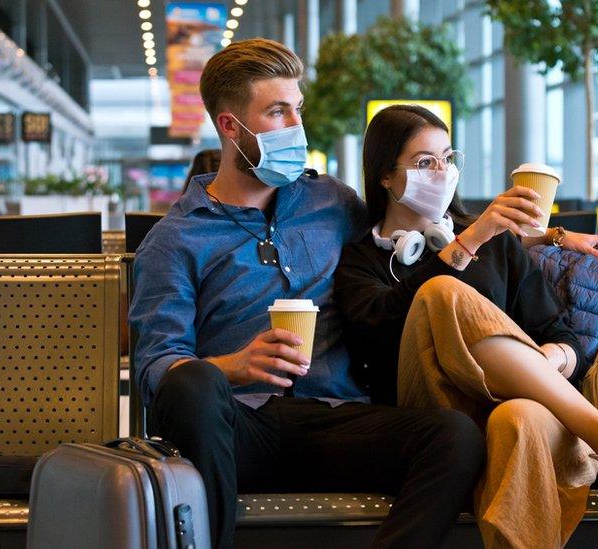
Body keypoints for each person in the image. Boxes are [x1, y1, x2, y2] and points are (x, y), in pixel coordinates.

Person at [129, 39, 488, 549]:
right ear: (230, 126)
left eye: (297, 109)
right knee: (193, 385)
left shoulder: (331, 202)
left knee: (454, 437)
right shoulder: (176, 239)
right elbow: (154, 368)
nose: (296, 127)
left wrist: (554, 237)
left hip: (335, 420)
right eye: (277, 112)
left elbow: (418, 228)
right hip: (238, 428)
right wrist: (233, 365)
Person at [334, 105, 598, 547]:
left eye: (448, 158)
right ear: (385, 177)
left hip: (526, 406)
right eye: (424, 162)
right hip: (432, 412)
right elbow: (374, 331)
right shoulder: (362, 259)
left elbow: (563, 337)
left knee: (517, 416)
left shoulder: (498, 244)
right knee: (441, 293)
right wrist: (469, 242)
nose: (442, 172)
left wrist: (541, 362)